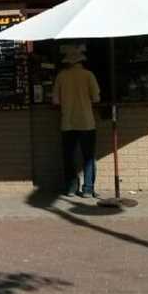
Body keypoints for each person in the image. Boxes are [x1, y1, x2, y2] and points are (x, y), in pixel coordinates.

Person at [52, 44, 101, 198]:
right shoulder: (89, 75)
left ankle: (71, 188)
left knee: (69, 157)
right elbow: (96, 98)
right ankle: (87, 189)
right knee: (88, 157)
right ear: (81, 61)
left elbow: (55, 101)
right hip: (87, 122)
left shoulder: (61, 76)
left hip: (67, 122)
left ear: (67, 61)